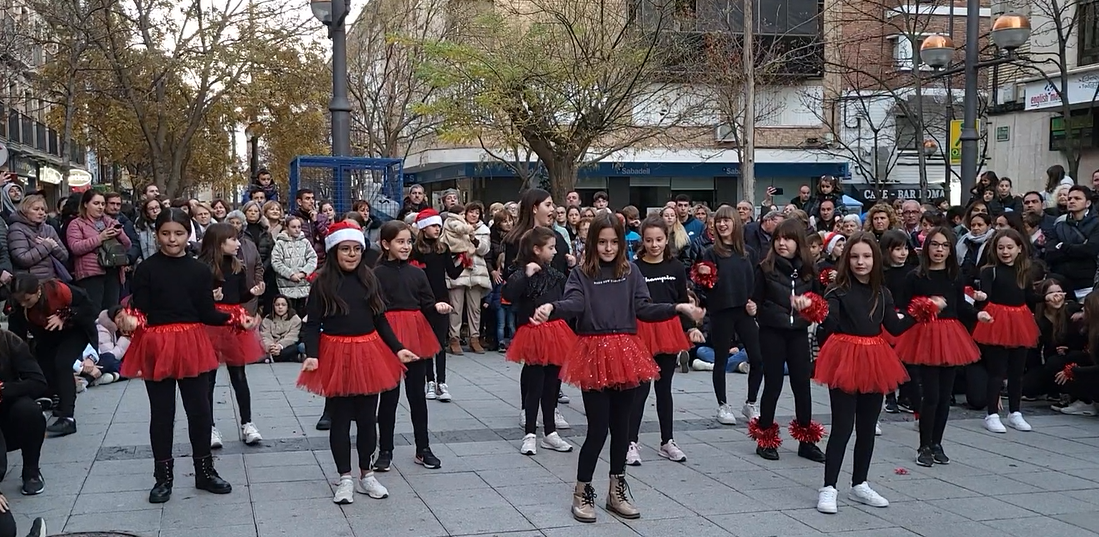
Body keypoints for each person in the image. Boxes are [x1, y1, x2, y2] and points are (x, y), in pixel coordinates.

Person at [532, 213, 703, 523]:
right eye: (602, 242)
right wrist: (552, 308)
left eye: (614, 242)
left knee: (622, 429)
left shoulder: (631, 272)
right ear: (593, 243)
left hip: (627, 352)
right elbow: (574, 303)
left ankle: (617, 488)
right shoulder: (581, 274)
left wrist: (677, 308)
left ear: (622, 243)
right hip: (594, 352)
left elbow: (644, 308)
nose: (608, 248)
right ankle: (582, 490)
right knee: (597, 429)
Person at [116, 208, 251, 503]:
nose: (172, 239)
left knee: (199, 410)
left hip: (192, 341)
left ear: (188, 234)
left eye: (178, 233)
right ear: (157, 235)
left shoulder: (199, 270)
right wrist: (131, 319)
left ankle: (204, 472)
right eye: (165, 233)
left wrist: (233, 319)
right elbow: (141, 308)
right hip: (157, 344)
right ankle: (163, 478)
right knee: (162, 414)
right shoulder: (147, 269)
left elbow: (205, 312)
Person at [803, 231, 923, 514]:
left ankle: (860, 483)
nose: (860, 262)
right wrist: (814, 310)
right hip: (845, 357)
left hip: (874, 359)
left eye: (866, 256)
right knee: (843, 427)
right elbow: (829, 322)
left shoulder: (883, 292)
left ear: (875, 259)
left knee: (868, 427)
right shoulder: (837, 291)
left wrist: (921, 312)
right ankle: (829, 487)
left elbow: (893, 326)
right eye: (855, 256)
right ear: (847, 259)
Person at [296, 220, 413, 504]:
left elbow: (380, 319)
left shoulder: (369, 279)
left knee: (366, 417)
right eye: (345, 249)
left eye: (356, 249)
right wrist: (312, 354)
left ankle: (366, 474)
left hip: (367, 352)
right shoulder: (323, 283)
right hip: (336, 353)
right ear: (335, 251)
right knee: (339, 418)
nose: (351, 254)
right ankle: (344, 477)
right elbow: (312, 325)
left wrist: (397, 349)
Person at [894, 227, 986, 466]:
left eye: (945, 246)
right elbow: (904, 308)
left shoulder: (955, 276)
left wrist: (978, 315)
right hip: (925, 335)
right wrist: (928, 304)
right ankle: (923, 444)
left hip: (950, 335)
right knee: (931, 395)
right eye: (935, 244)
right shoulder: (915, 277)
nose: (939, 250)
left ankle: (937, 442)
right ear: (927, 247)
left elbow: (960, 306)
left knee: (946, 396)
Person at [373, 220, 451, 471]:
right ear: (386, 244)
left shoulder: (417, 273)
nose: (406, 246)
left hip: (415, 334)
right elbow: (374, 309)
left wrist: (436, 306)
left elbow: (426, 302)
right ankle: (385, 449)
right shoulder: (375, 274)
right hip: (389, 336)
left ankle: (423, 447)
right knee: (388, 397)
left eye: (408, 241)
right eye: (400, 242)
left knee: (417, 395)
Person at [748, 219, 827, 463]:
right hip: (772, 332)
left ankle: (806, 440)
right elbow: (755, 300)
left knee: (802, 385)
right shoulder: (765, 268)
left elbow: (821, 306)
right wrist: (754, 308)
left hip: (799, 333)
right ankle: (765, 437)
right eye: (778, 239)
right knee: (773, 385)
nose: (782, 243)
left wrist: (810, 305)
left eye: (788, 239)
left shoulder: (809, 271)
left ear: (798, 243)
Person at [628, 216, 697, 464]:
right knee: (640, 388)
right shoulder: (634, 268)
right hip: (642, 330)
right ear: (642, 240)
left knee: (664, 388)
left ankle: (667, 440)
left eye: (659, 239)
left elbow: (682, 301)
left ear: (666, 239)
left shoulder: (676, 267)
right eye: (649, 240)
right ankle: (630, 441)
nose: (654, 245)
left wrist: (690, 329)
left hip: (668, 330)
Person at [503, 226, 576, 456]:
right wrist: (525, 273)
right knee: (534, 385)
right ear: (536, 249)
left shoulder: (556, 275)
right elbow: (509, 294)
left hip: (556, 332)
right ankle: (530, 433)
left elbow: (568, 301)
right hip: (533, 333)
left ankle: (550, 432)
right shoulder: (521, 270)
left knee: (553, 384)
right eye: (551, 248)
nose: (555, 252)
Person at [691, 205, 762, 426]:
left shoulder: (749, 252)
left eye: (726, 220)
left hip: (744, 311)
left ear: (735, 223)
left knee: (758, 359)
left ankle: (751, 402)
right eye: (718, 221)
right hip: (721, 311)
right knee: (721, 359)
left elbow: (758, 283)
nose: (722, 225)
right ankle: (723, 405)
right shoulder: (711, 252)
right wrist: (703, 279)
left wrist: (755, 303)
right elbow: (704, 286)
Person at [198, 223, 266, 448]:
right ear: (219, 242)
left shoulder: (237, 266)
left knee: (239, 374)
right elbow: (196, 299)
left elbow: (237, 295)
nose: (238, 244)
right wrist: (210, 297)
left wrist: (252, 292)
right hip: (211, 321)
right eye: (234, 239)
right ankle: (208, 427)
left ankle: (247, 423)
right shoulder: (203, 268)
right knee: (208, 377)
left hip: (234, 321)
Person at [9, 275, 99, 436]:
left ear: (37, 291)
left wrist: (64, 315)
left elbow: (89, 309)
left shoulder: (58, 291)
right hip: (48, 336)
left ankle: (68, 419)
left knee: (63, 363)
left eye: (27, 300)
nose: (24, 304)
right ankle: (58, 399)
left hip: (75, 331)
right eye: (20, 300)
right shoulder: (18, 306)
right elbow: (16, 333)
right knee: (44, 366)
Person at [973, 229, 1040, 433]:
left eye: (1010, 247)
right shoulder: (989, 271)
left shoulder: (1025, 271)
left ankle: (1015, 412)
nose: (1005, 251)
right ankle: (992, 413)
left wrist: (1047, 296)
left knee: (1017, 371)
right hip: (998, 319)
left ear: (1019, 249)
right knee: (997, 370)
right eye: (1001, 247)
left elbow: (1029, 296)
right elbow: (987, 295)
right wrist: (981, 296)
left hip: (1020, 320)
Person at [411, 209, 465, 401]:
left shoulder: (443, 248)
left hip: (441, 298)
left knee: (440, 342)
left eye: (438, 226)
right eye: (434, 225)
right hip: (423, 301)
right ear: (424, 228)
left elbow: (452, 273)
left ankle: (442, 381)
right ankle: (430, 381)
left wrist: (463, 262)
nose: (437, 228)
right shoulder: (416, 250)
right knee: (426, 343)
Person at [0, 328, 49, 496]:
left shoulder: (9, 341)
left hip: (7, 409)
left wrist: (5, 389)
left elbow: (38, 382)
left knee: (29, 411)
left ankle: (31, 471)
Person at [65, 190, 132, 311]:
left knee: (112, 311)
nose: (100, 207)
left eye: (102, 204)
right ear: (85, 204)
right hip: (91, 275)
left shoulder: (110, 221)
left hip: (113, 271)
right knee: (93, 312)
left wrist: (119, 233)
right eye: (96, 203)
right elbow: (76, 247)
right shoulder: (76, 224)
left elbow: (127, 245)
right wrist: (100, 238)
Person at [7, 193, 68, 282]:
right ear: (25, 211)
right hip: (30, 283)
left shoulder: (48, 229)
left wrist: (54, 247)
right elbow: (22, 259)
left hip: (52, 280)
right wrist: (47, 245)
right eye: (36, 209)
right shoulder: (16, 229)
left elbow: (65, 257)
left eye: (43, 209)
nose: (41, 212)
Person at [270, 216, 318, 314]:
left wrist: (303, 272)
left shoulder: (305, 242)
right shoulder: (280, 243)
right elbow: (276, 261)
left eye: (299, 227)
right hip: (286, 286)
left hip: (303, 285)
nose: (297, 230)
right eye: (293, 227)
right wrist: (290, 274)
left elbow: (313, 258)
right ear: (287, 228)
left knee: (303, 312)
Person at [261, 295, 303, 363]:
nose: (280, 307)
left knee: (295, 348)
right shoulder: (267, 320)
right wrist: (271, 346)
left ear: (287, 306)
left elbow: (292, 336)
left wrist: (280, 346)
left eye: (283, 305)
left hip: (285, 346)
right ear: (274, 306)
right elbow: (265, 335)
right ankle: (273, 356)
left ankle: (272, 358)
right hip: (270, 347)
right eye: (277, 305)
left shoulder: (295, 319)